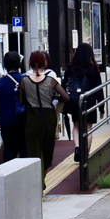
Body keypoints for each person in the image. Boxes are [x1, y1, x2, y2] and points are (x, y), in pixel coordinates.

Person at [18, 50, 69, 189]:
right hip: (48, 117)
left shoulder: (24, 81)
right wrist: (53, 97)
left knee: (33, 152)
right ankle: (43, 179)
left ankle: (36, 184)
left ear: (30, 63)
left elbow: (21, 102)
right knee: (47, 151)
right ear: (44, 63)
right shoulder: (51, 81)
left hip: (31, 117)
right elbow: (66, 97)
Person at [62, 43, 104, 141]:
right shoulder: (93, 69)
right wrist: (102, 108)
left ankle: (77, 148)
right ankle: (85, 154)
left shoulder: (71, 68)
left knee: (76, 126)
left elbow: (64, 85)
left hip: (75, 101)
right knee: (88, 128)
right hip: (90, 101)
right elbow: (99, 89)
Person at [0, 51, 27, 162]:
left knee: (9, 150)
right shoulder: (26, 80)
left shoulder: (0, 83)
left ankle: (8, 175)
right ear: (19, 65)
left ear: (5, 65)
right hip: (24, 120)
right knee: (24, 149)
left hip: (7, 121)